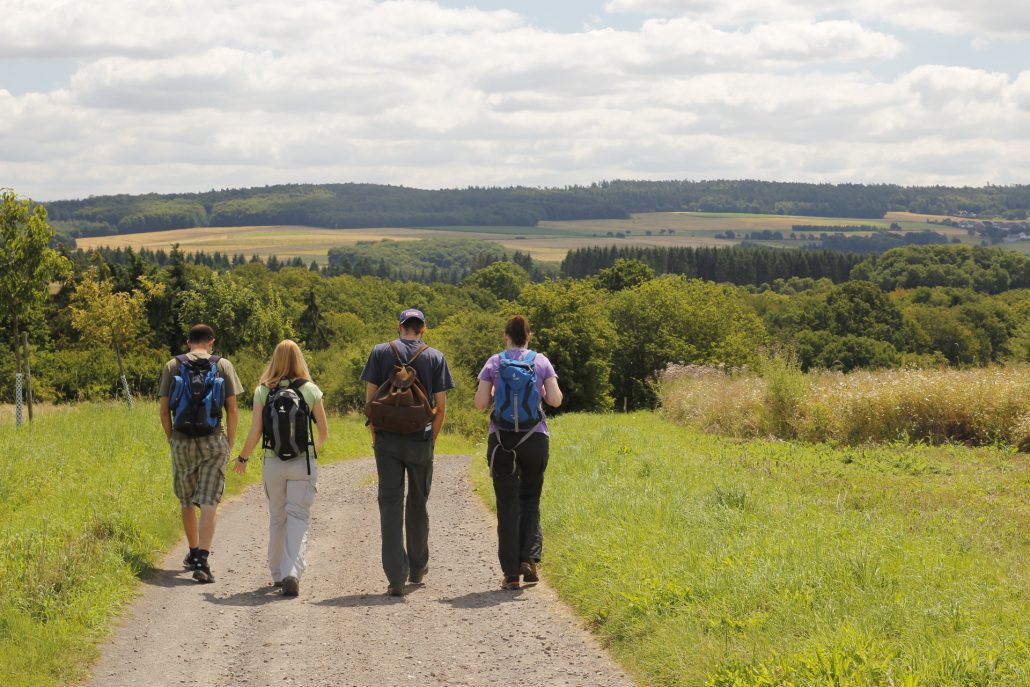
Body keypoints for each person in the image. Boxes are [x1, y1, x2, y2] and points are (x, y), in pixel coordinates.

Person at [361, 308, 454, 596]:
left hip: (387, 441)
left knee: (390, 506)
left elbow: (370, 401)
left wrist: (376, 436)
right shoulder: (435, 357)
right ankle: (417, 568)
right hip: (420, 440)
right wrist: (431, 441)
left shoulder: (379, 352)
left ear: (400, 327)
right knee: (418, 504)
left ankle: (396, 578)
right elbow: (441, 408)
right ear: (422, 329)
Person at [233, 340, 328, 597]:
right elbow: (323, 432)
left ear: (274, 360)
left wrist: (242, 459)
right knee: (298, 518)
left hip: (273, 464)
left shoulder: (263, 391)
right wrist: (311, 453)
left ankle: (276, 574)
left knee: (277, 517)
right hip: (302, 464)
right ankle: (291, 573)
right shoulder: (310, 390)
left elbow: (256, 432)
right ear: (299, 360)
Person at [474, 315, 562, 590]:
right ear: (529, 336)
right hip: (534, 437)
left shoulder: (495, 362)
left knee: (507, 504)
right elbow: (556, 400)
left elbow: (479, 404)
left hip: (501, 440)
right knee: (530, 498)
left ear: (506, 336)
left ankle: (511, 574)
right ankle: (530, 561)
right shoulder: (541, 361)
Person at [158, 323, 244, 583]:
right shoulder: (223, 364)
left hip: (182, 441)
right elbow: (232, 409)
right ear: (211, 342)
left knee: (186, 500)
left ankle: (193, 552)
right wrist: (229, 442)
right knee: (209, 502)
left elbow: (163, 410)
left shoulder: (173, 365)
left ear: (188, 342)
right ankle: (203, 562)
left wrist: (172, 438)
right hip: (213, 440)